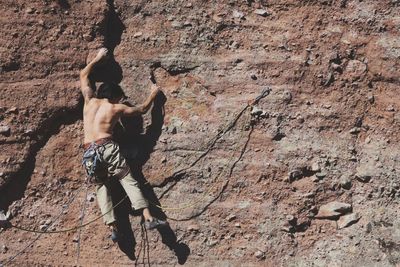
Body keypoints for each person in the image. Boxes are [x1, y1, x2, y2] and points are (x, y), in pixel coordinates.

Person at [80, 48, 167, 242]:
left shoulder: (88, 101)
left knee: (101, 187)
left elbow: (84, 74)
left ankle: (113, 228)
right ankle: (148, 217)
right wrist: (153, 94)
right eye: (119, 97)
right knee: (127, 179)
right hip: (106, 147)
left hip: (88, 153)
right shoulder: (115, 107)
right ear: (115, 96)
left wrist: (97, 59)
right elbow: (143, 109)